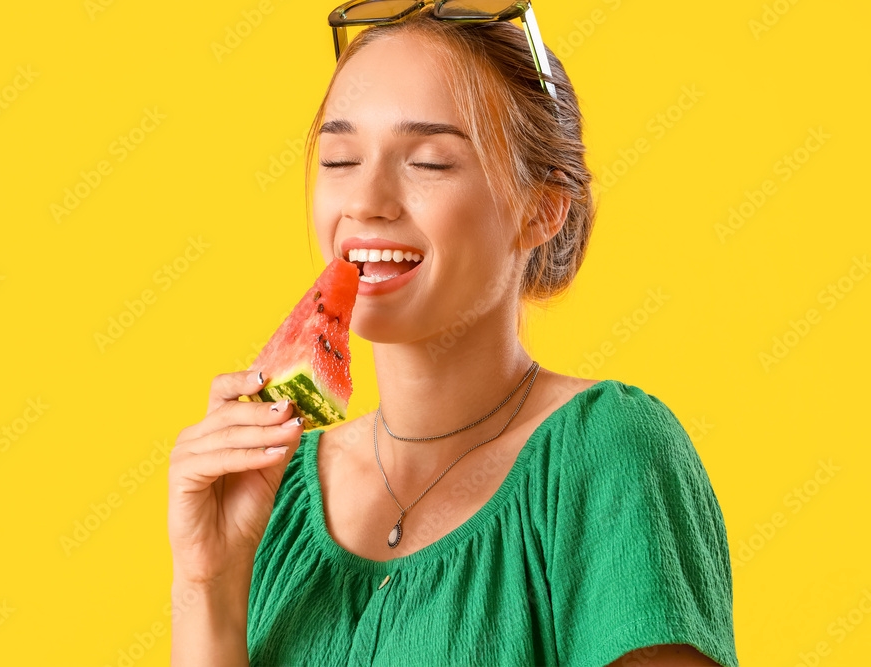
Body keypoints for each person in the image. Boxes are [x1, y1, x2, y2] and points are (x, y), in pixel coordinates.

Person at [169, 5, 739, 666]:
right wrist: (208, 583)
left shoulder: (608, 455)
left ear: (541, 208)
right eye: (340, 157)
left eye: (429, 162)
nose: (365, 200)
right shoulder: (273, 491)